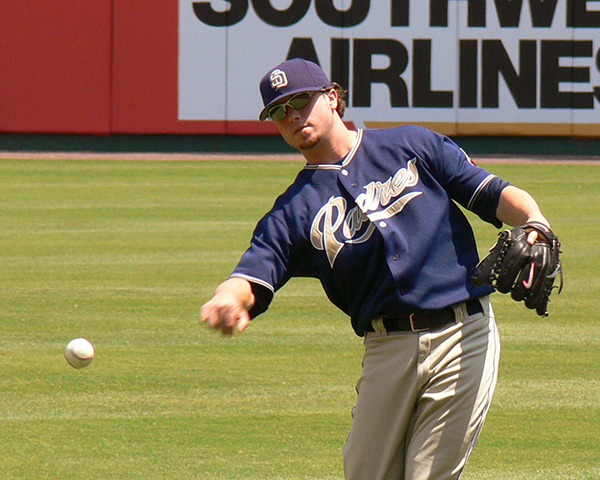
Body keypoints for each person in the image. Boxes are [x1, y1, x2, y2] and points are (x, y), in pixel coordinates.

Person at [200, 58, 551, 480]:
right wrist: (228, 296)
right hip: (387, 349)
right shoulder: (293, 210)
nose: (292, 115)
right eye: (278, 110)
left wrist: (535, 222)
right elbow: (255, 269)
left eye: (301, 100)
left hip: (462, 336)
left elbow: (491, 191)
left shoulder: (411, 144)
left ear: (332, 97)